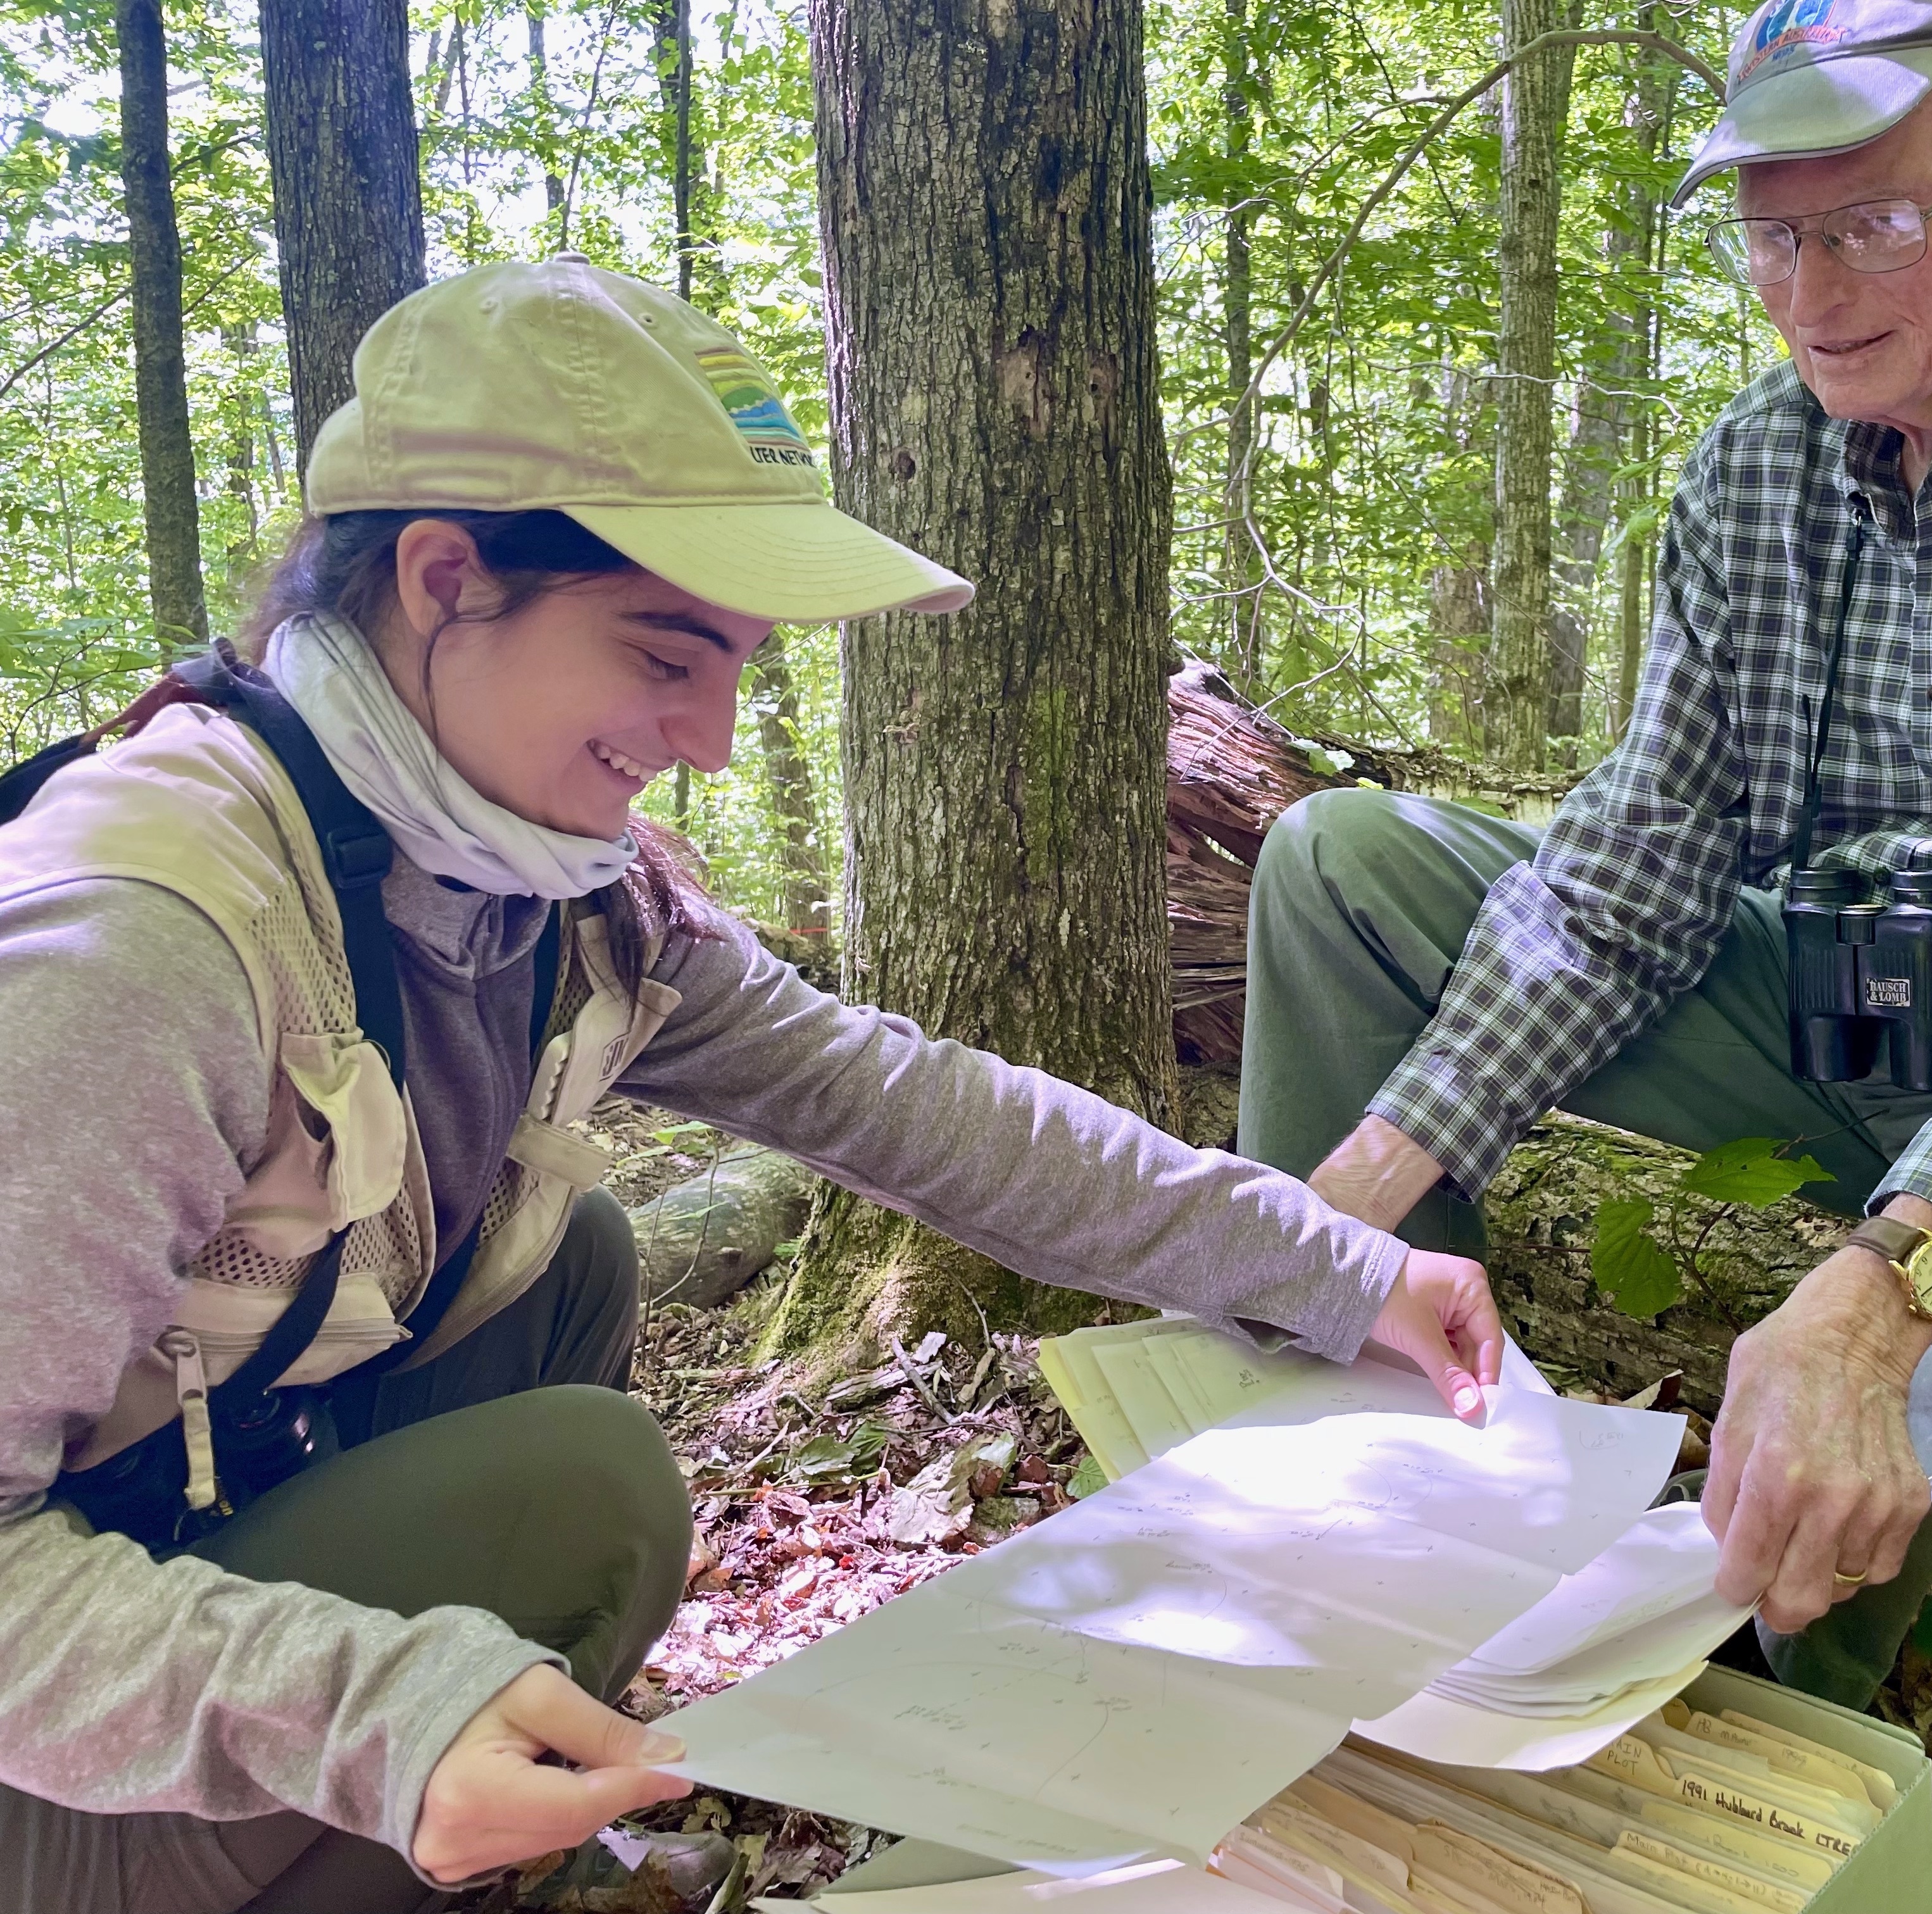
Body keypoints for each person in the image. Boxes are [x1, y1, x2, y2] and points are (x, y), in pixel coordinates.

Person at [0, 256, 1504, 1914]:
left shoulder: (561, 898)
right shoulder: (141, 947)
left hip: (187, 1527)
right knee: (594, 1501)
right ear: (442, 579)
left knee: (570, 1266)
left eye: (735, 663)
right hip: (44, 1723)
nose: (710, 737)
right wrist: (374, 1714)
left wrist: (1339, 1268)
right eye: (662, 652)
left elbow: (922, 1109)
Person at [1240, 0, 1932, 1710]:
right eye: (1771, 235)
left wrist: (1888, 1285)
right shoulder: (1753, 468)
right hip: (1847, 1015)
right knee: (1340, 865)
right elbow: (1636, 862)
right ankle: (1368, 1484)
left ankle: (1780, 1684)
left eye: (1873, 221)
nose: (1813, 294)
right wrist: (1363, 1185)